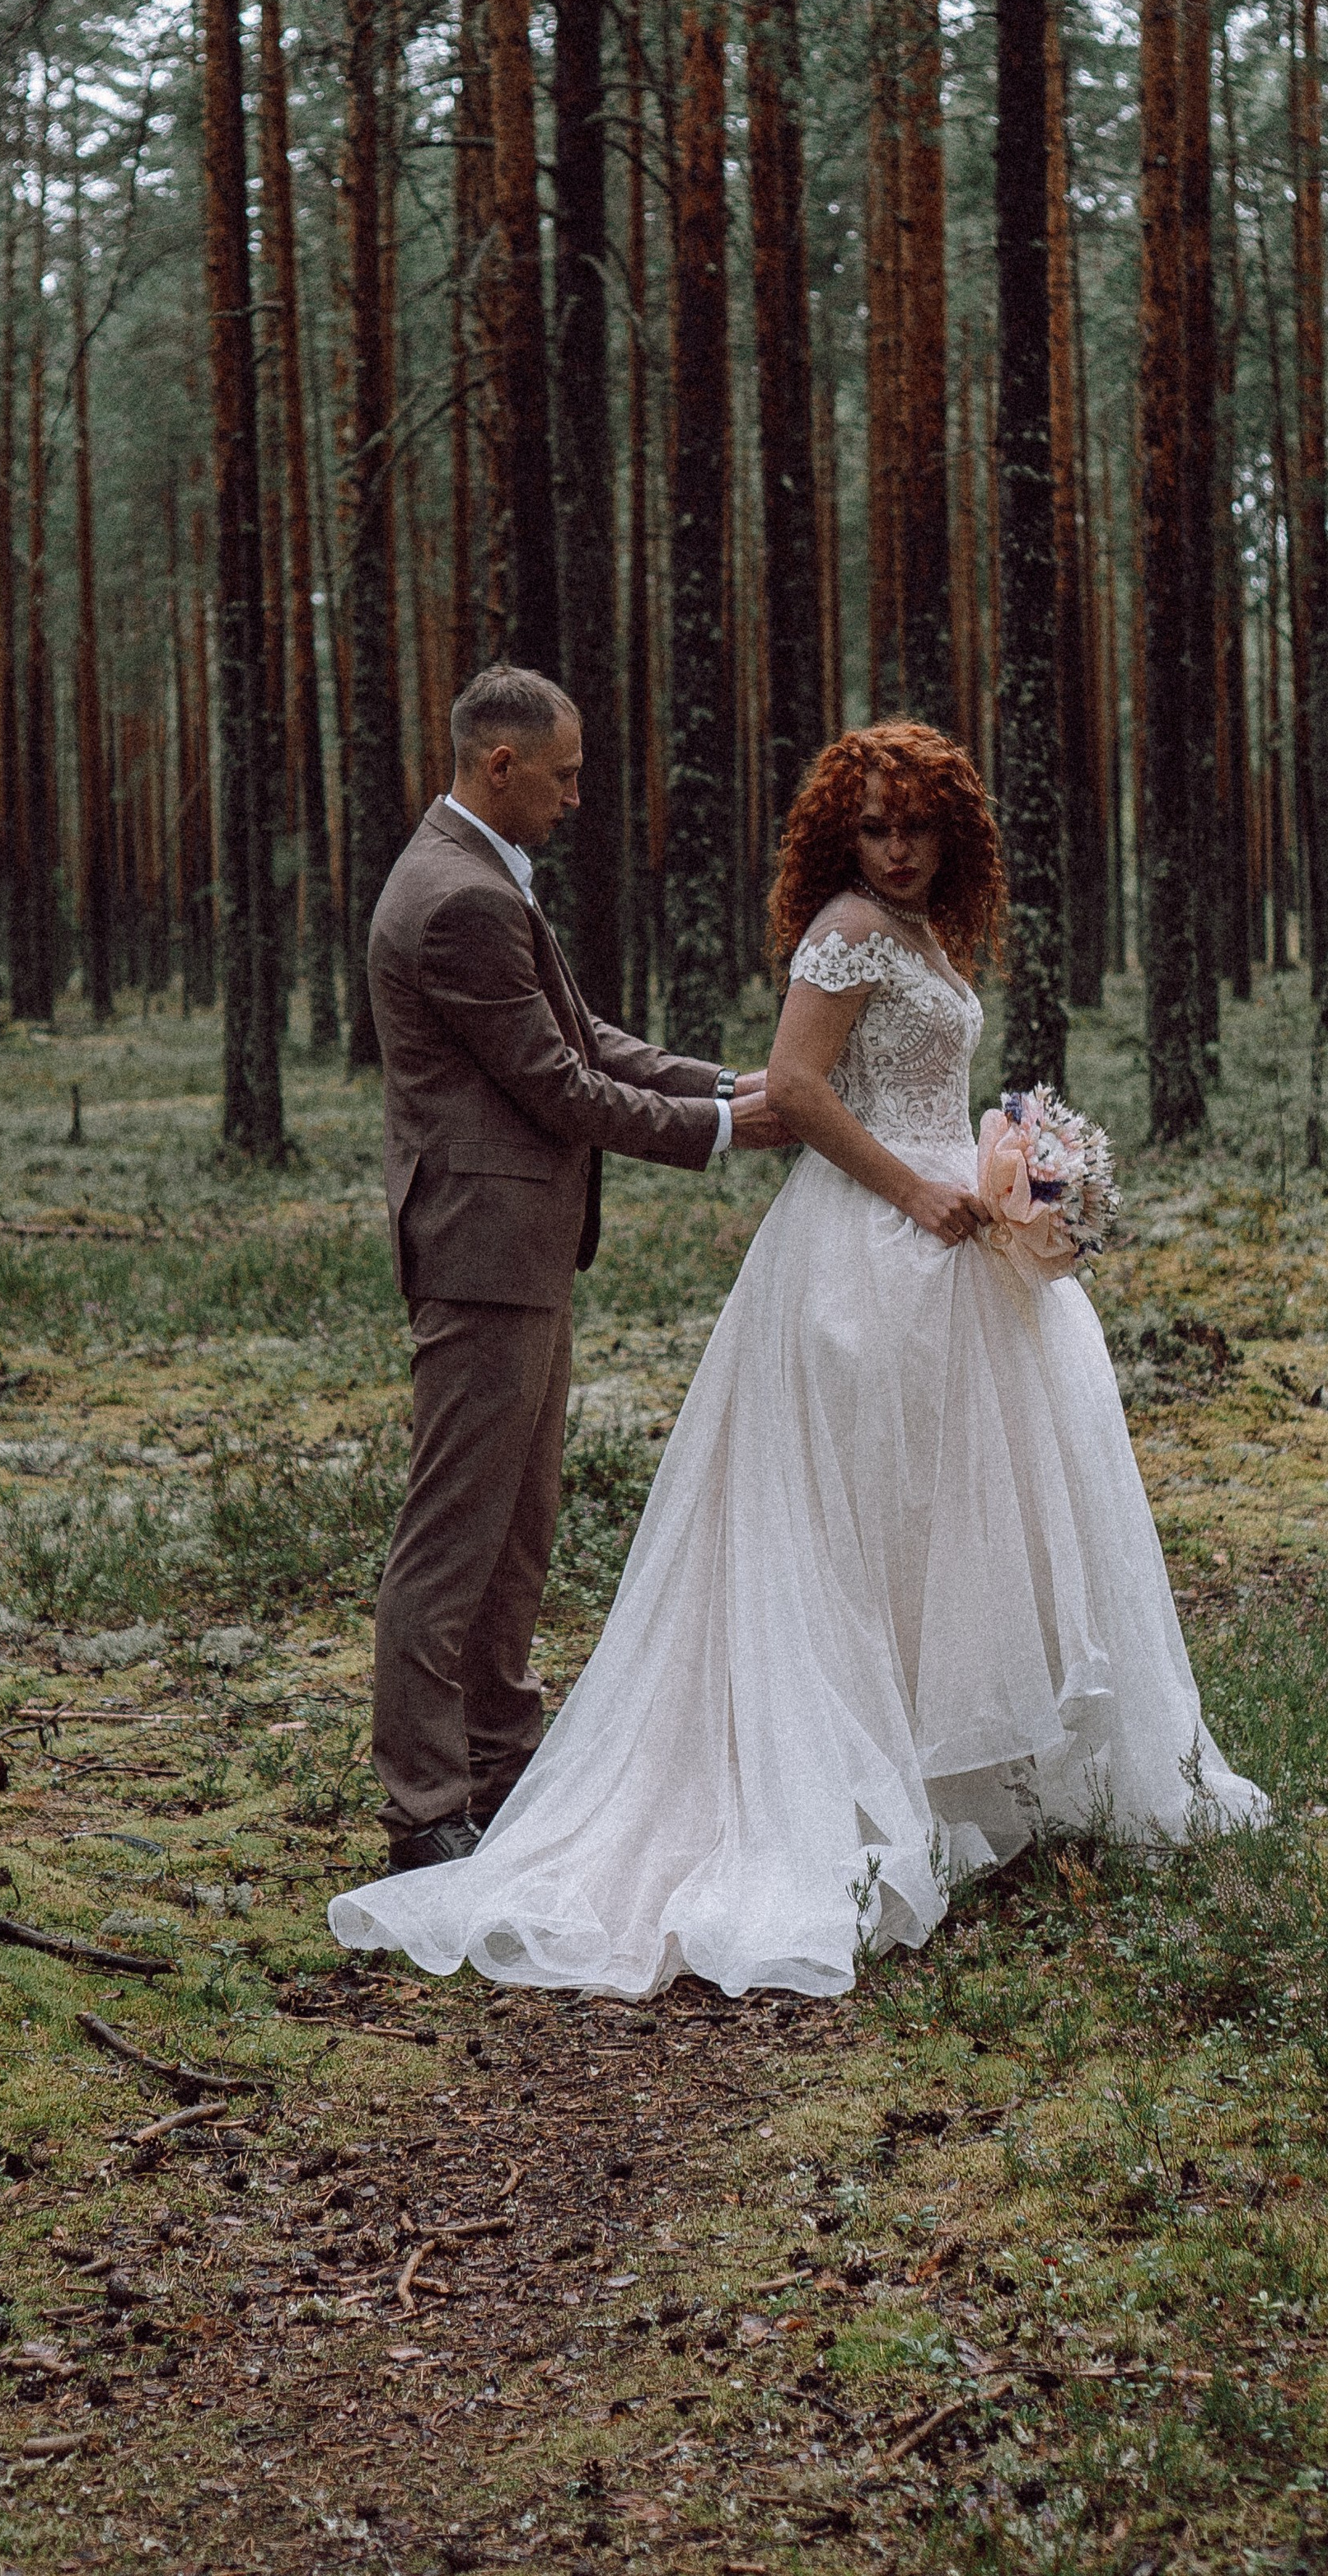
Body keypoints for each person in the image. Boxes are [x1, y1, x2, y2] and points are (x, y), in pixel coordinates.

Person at [332, 719, 1265, 1988]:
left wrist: (995, 1162)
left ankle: (917, 1770)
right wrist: (801, 1142)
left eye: (918, 828)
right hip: (817, 1243)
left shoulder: (918, 932)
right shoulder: (797, 924)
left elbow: (611, 1045)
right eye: (874, 828)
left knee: (926, 1514)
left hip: (933, 1239)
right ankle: (436, 1803)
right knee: (491, 1529)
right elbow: (711, 1081)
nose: (897, 849)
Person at [360, 662, 787, 1874]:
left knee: (517, 1528)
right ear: (500, 766)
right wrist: (726, 1128)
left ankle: (501, 1764)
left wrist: (730, 1081)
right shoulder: (460, 898)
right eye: (565, 774)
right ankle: (425, 1808)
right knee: (455, 1534)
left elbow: (584, 1035)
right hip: (482, 1252)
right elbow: (559, 1086)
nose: (578, 796)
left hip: (513, 1251)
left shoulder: (476, 872)